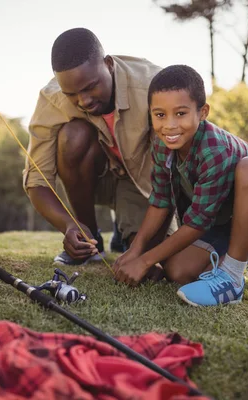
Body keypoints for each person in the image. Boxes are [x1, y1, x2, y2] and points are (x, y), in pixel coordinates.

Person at [113, 65, 248, 307]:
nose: (169, 125)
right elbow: (160, 201)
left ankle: (232, 276)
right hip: (221, 218)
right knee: (178, 272)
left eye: (180, 113)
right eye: (160, 115)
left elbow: (196, 225)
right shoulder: (161, 144)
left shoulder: (215, 150)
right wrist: (136, 250)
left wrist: (144, 262)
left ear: (203, 112)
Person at [23, 27, 176, 267]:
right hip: (100, 178)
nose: (83, 101)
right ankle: (90, 241)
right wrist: (69, 225)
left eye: (90, 87)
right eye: (71, 94)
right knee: (74, 135)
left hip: (149, 184)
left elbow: (175, 170)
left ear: (108, 64)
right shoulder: (52, 99)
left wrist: (143, 248)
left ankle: (125, 229)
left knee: (154, 259)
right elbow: (36, 181)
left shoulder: (153, 86)